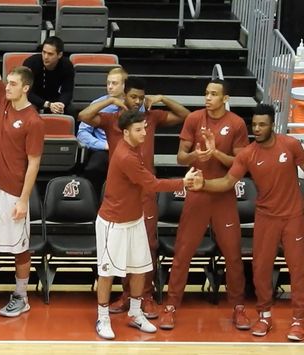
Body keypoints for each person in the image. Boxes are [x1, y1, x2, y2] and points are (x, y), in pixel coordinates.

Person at [79, 77, 190, 319]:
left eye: (141, 97)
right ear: (124, 95)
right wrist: (109, 100)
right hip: (121, 191)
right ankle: (126, 296)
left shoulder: (150, 117)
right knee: (119, 249)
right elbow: (84, 116)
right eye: (133, 97)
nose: (137, 101)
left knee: (146, 245)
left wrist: (161, 98)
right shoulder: (112, 119)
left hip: (146, 191)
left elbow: (185, 115)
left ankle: (144, 297)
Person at [195, 103, 304, 342]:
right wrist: (203, 184)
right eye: (254, 124)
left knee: (298, 270)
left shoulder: (291, 145)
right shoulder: (247, 154)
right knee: (260, 270)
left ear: (272, 124)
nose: (257, 128)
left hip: (293, 216)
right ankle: (264, 316)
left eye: (262, 124)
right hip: (265, 217)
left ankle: (299, 320)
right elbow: (226, 182)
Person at [95, 109, 200, 340]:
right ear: (125, 132)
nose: (145, 132)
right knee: (107, 272)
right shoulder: (125, 156)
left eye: (145, 127)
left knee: (140, 268)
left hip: (134, 219)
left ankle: (135, 313)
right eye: (139, 129)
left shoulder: (135, 149)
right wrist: (183, 182)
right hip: (114, 222)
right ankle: (102, 317)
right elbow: (150, 184)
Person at [159, 78, 250, 331]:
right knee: (183, 252)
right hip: (197, 193)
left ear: (225, 98)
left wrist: (216, 153)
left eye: (213, 94)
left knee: (233, 254)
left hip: (223, 194)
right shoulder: (194, 119)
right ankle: (171, 306)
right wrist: (195, 156)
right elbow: (180, 158)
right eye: (206, 93)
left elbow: (240, 163)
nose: (208, 98)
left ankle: (238, 307)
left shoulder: (237, 124)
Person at [0, 7, 45, 319]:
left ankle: (20, 295)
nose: (7, 86)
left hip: (14, 192)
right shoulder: (3, 101)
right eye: (9, 82)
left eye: (13, 83)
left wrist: (24, 201)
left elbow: (34, 163)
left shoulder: (33, 120)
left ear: (25, 87)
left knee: (19, 249)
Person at [77, 67, 135, 197]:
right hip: (104, 149)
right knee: (94, 168)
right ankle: (94, 205)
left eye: (114, 83)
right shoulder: (97, 104)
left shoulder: (134, 104)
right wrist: (103, 145)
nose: (110, 87)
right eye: (108, 83)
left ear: (125, 85)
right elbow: (82, 133)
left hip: (128, 150)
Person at [23, 36, 74, 115]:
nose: (46, 57)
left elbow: (67, 91)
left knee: (69, 110)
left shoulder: (67, 65)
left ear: (59, 55)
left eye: (50, 54)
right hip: (32, 97)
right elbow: (26, 91)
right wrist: (47, 104)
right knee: (28, 110)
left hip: (54, 97)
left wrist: (61, 104)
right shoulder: (30, 63)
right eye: (44, 52)